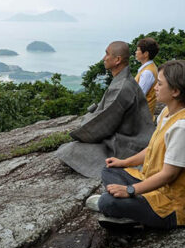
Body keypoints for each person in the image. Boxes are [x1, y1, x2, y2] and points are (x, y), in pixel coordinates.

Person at [87, 60, 185, 230]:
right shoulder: (167, 113)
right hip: (153, 184)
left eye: (159, 84)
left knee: (107, 202)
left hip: (173, 206)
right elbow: (152, 148)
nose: (155, 87)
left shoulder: (184, 127)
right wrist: (123, 163)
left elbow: (168, 176)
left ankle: (125, 210)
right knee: (110, 169)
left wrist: (129, 190)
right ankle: (131, 209)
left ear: (175, 91)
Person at [56, 41, 155, 178]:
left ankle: (117, 170)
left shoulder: (121, 87)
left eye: (107, 54)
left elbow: (102, 124)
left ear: (117, 60)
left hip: (126, 146)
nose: (104, 58)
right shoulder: (123, 80)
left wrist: (84, 125)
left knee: (68, 150)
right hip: (130, 138)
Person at [134, 37, 159, 116]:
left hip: (142, 117)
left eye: (138, 50)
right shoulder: (150, 67)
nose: (136, 52)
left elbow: (138, 96)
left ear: (146, 54)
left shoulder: (147, 73)